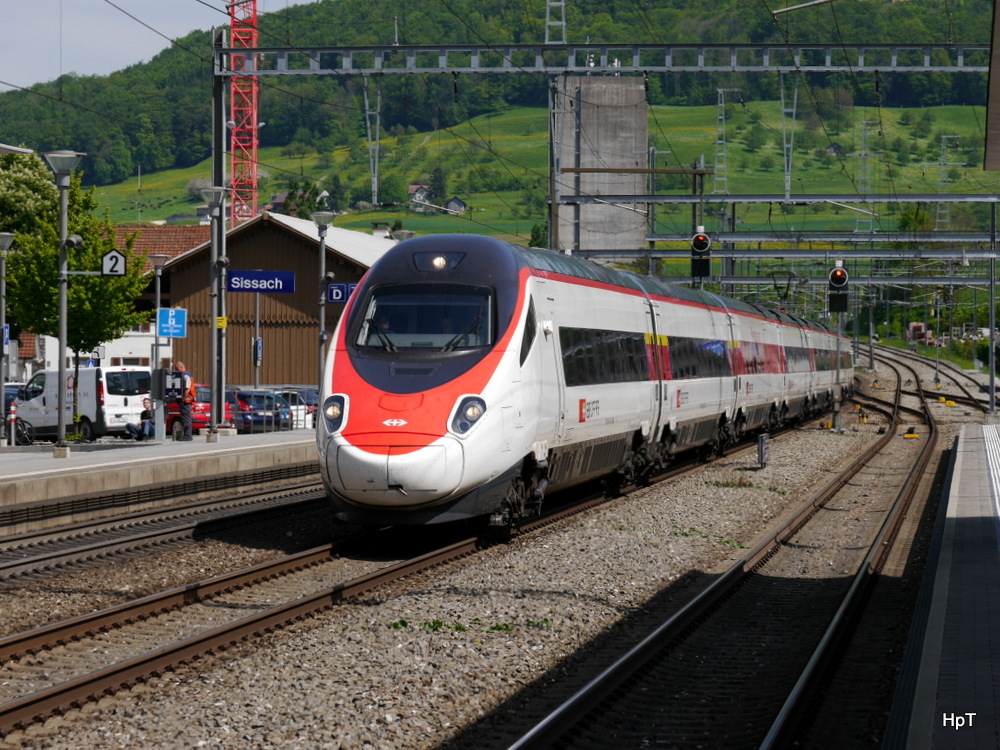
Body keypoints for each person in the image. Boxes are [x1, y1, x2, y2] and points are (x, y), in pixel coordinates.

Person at [175, 361, 195, 441]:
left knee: (186, 418)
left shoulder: (186, 375)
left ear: (181, 367)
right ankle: (186, 435)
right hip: (187, 399)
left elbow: (187, 389)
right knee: (185, 418)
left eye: (177, 369)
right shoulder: (186, 375)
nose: (176, 371)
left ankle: (188, 436)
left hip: (186, 400)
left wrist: (183, 398)